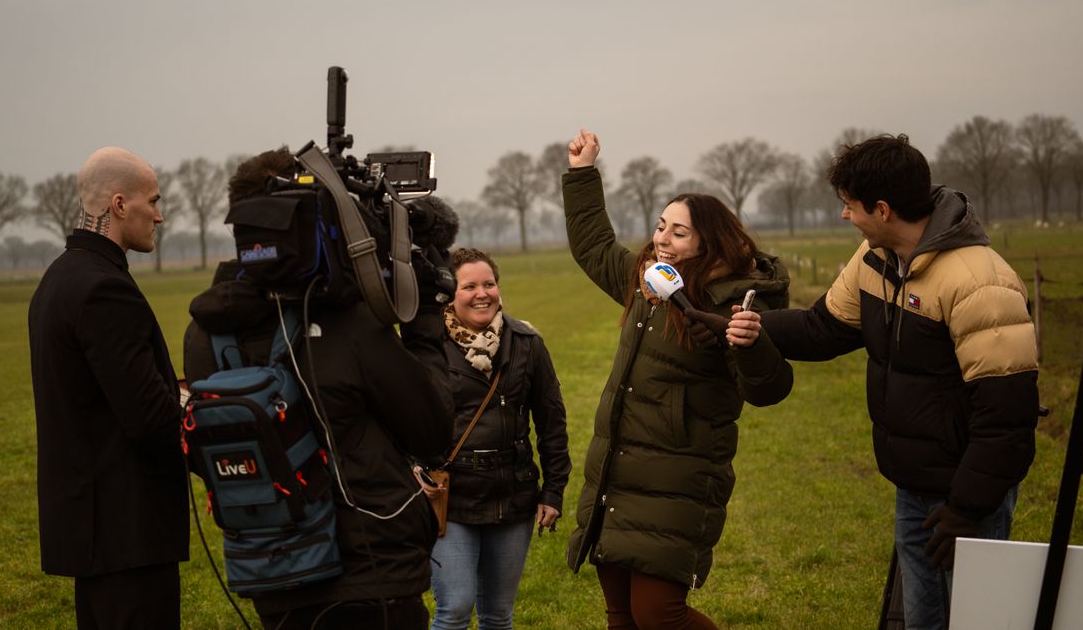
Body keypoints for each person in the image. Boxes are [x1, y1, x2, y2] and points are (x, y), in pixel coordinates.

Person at [759, 134, 1039, 630]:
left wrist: (965, 510)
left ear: (883, 209)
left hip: (968, 497)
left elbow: (1007, 416)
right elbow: (824, 328)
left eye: (850, 206)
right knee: (919, 623)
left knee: (977, 621)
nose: (846, 216)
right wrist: (750, 326)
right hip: (912, 485)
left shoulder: (980, 283)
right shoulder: (873, 260)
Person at [183, 147, 455, 630]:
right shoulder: (346, 323)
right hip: (373, 575)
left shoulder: (206, 332)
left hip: (275, 575)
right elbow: (432, 431)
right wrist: (425, 320)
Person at [561, 129, 794, 630]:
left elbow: (768, 389)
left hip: (677, 479)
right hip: (618, 471)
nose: (661, 238)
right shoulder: (649, 280)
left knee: (659, 616)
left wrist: (744, 341)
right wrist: (582, 173)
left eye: (678, 232)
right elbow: (594, 247)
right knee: (621, 617)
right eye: (661, 226)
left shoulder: (737, 302)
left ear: (709, 243)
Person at [28, 147, 188, 628]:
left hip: (94, 530)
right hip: (127, 534)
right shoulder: (104, 289)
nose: (159, 216)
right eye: (153, 202)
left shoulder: (58, 278)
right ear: (119, 205)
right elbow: (149, 419)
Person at [413, 247, 571, 630]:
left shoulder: (526, 343)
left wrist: (553, 491)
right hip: (450, 497)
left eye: (489, 284)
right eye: (469, 286)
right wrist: (411, 466)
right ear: (451, 293)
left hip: (512, 496)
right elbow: (401, 418)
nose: (482, 293)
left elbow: (551, 420)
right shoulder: (427, 347)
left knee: (498, 616)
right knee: (454, 609)